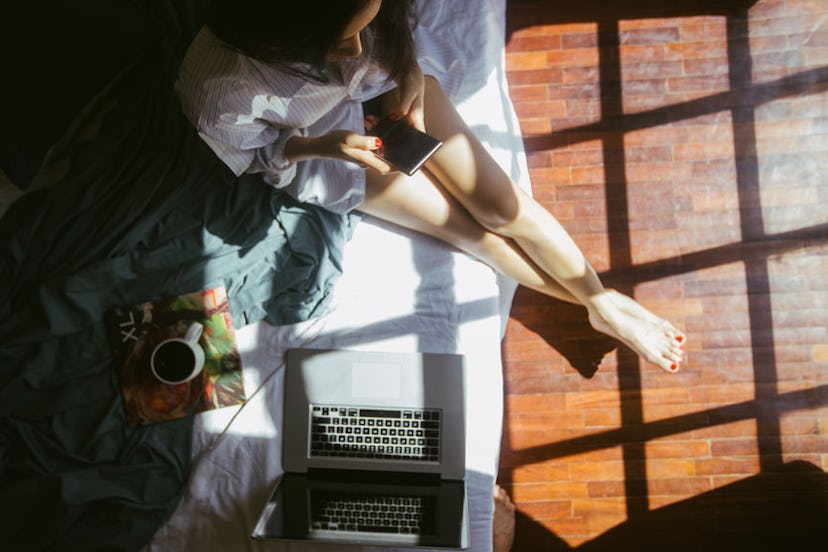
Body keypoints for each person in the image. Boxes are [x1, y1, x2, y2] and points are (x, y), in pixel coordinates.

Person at [175, 0, 686, 372]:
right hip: (323, 145)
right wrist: (325, 147)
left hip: (388, 92)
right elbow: (260, 157)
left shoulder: (364, 19)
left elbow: (392, 50)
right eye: (340, 41)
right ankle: (599, 306)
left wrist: (411, 79)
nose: (355, 49)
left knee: (503, 208)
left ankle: (601, 304)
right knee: (473, 234)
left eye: (363, 30)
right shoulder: (218, 87)